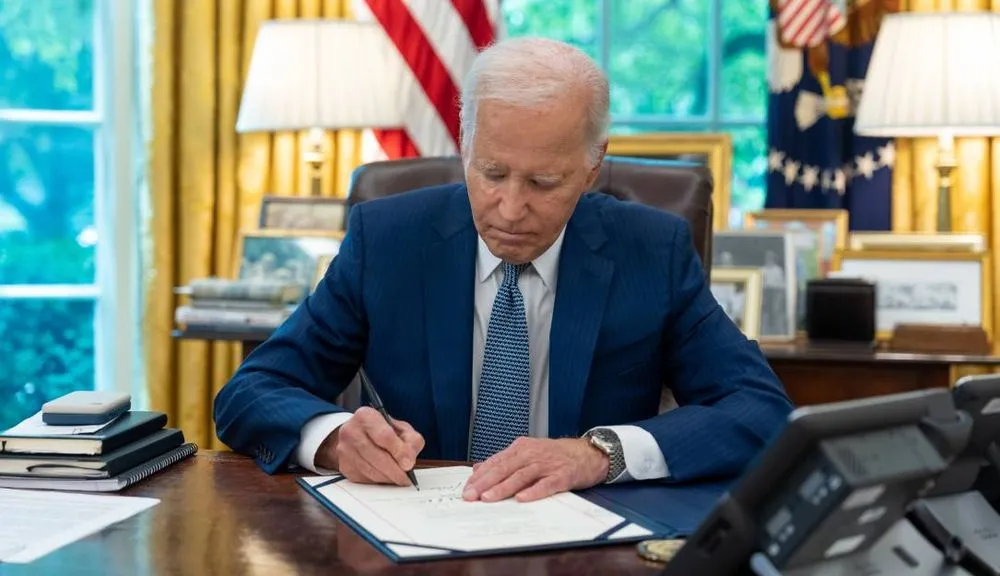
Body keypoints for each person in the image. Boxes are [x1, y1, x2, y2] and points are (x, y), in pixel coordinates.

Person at [213, 37, 793, 504]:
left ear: (593, 167)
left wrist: (599, 454)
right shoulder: (387, 240)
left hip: (584, 547)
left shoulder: (651, 250)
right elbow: (251, 391)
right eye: (491, 173)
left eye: (545, 183)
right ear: (465, 148)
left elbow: (760, 408)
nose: (512, 210)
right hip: (415, 537)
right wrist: (334, 439)